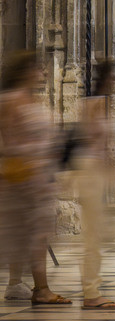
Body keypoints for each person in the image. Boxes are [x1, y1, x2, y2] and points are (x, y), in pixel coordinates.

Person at [0, 52, 68, 305]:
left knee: (32, 234)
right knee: (35, 236)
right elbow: (10, 143)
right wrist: (34, 156)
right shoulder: (11, 100)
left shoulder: (29, 99)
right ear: (25, 71)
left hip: (38, 178)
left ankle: (20, 284)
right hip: (24, 178)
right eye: (39, 69)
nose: (44, 73)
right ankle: (41, 289)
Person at [77, 63, 115, 309]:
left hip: (95, 173)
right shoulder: (94, 105)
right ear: (107, 78)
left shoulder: (102, 104)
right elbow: (89, 145)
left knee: (98, 234)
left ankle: (92, 289)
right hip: (90, 173)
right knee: (93, 236)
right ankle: (91, 293)